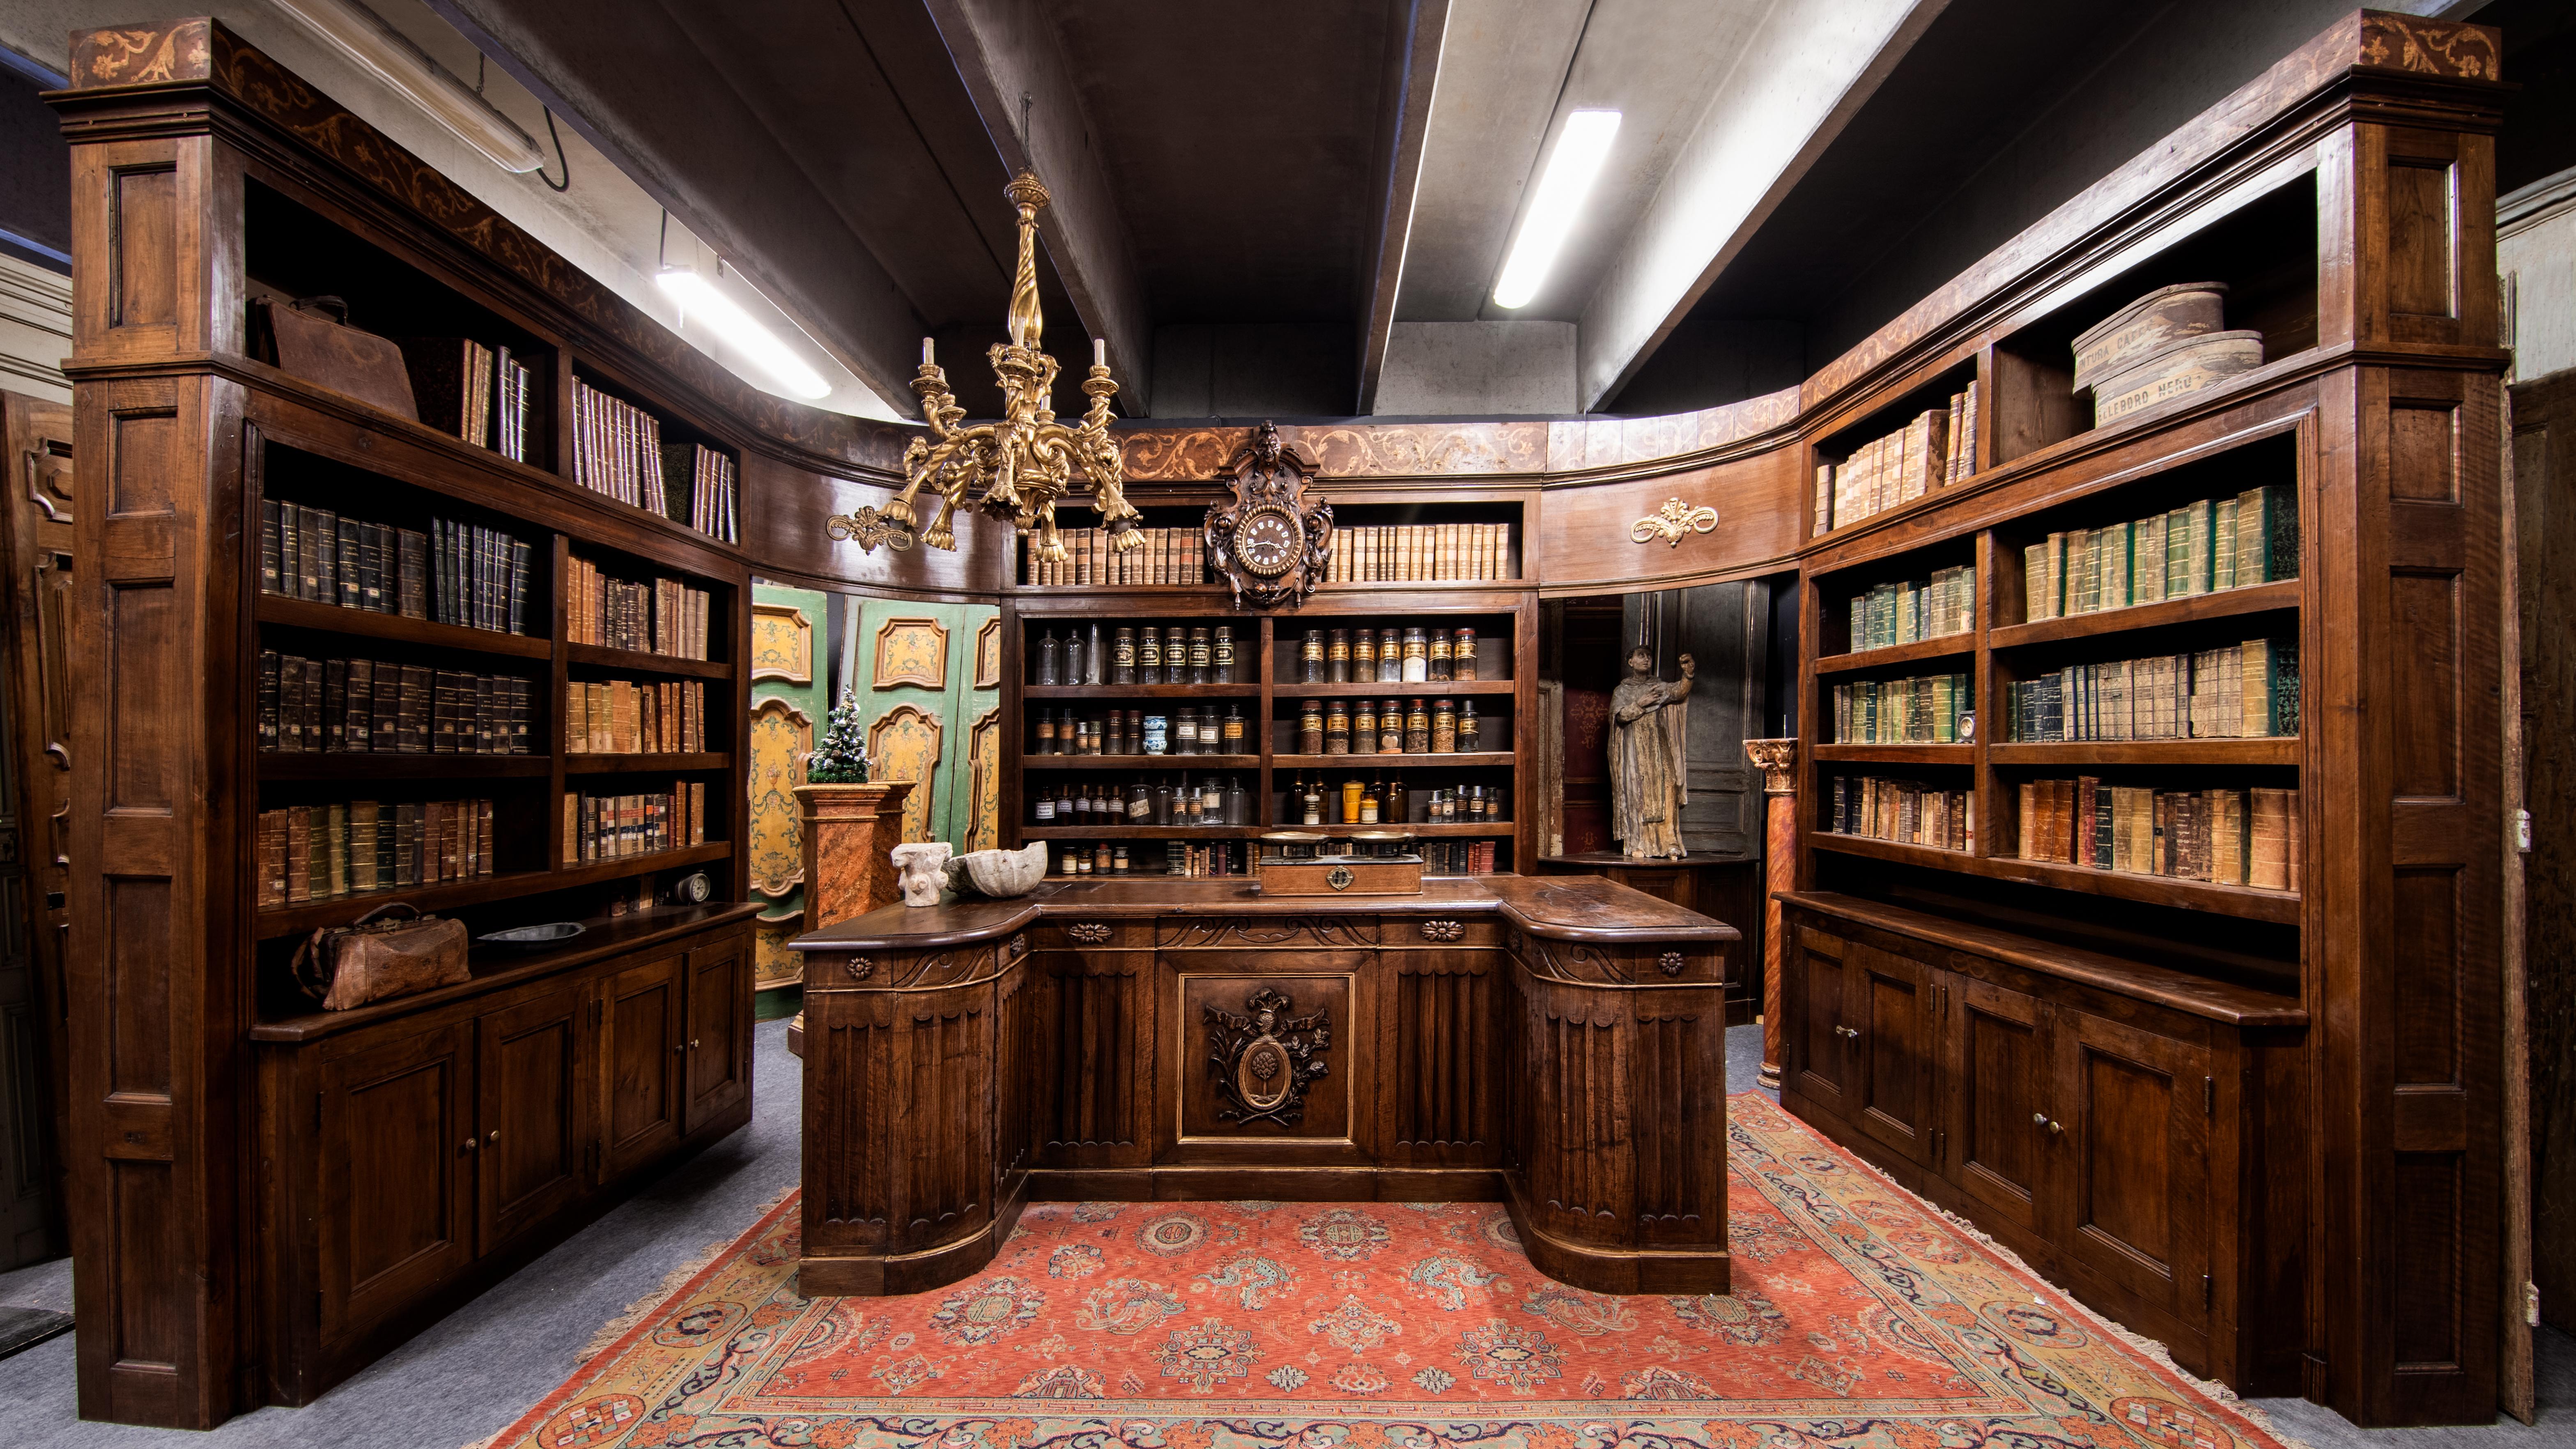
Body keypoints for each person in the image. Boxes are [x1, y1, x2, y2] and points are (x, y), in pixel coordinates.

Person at [1610, 646, 1694, 859]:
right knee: (1637, 792)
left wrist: (1688, 674)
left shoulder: (1659, 686)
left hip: (1658, 743)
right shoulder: (1622, 690)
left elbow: (1678, 691)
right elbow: (1619, 718)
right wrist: (1640, 703)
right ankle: (1639, 843)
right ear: (1630, 662)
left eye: (1648, 656)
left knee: (1669, 788)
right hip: (1634, 748)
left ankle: (1670, 843)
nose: (1646, 659)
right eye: (1641, 656)